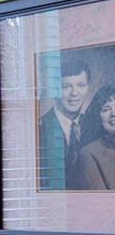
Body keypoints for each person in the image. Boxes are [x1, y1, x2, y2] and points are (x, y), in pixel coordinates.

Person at [39, 57, 94, 190]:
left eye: (80, 85)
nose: (74, 93)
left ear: (88, 87)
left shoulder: (95, 126)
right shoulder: (39, 129)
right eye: (66, 87)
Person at [77, 84, 115, 191]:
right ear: (98, 117)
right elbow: (100, 205)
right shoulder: (89, 154)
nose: (113, 114)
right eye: (106, 109)